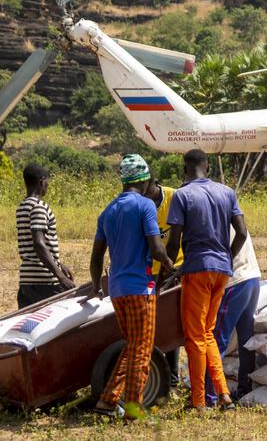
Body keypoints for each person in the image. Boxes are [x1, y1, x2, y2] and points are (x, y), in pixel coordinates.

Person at [88, 154, 172, 420]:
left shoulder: (108, 211)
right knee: (142, 350)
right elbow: (156, 248)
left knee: (132, 345)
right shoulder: (145, 206)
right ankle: (134, 410)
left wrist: (95, 285)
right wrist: (170, 265)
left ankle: (108, 400)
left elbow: (96, 256)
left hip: (118, 290)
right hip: (140, 289)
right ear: (145, 179)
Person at [166, 149, 247, 412]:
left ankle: (199, 401)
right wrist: (226, 258)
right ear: (208, 167)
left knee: (194, 337)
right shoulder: (227, 192)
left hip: (197, 270)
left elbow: (174, 241)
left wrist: (167, 271)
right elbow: (242, 233)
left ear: (185, 169)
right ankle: (223, 394)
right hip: (222, 271)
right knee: (208, 333)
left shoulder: (182, 195)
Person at [205, 228, 261, 406]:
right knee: (246, 340)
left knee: (217, 339)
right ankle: (244, 388)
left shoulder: (218, 217)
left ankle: (210, 395)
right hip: (252, 277)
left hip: (235, 282)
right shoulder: (232, 211)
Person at [15, 164, 75, 308]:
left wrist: (59, 263)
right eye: (47, 182)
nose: (47, 185)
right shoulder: (39, 207)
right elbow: (39, 244)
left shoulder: (22, 207)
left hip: (27, 280)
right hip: (45, 281)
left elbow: (32, 246)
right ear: (42, 182)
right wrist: (60, 276)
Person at [144, 179, 183, 387]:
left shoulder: (173, 197)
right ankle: (161, 373)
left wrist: (174, 270)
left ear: (155, 183)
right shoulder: (142, 202)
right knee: (155, 324)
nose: (144, 193)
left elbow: (176, 239)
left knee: (171, 322)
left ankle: (173, 377)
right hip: (151, 272)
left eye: (147, 188)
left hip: (174, 269)